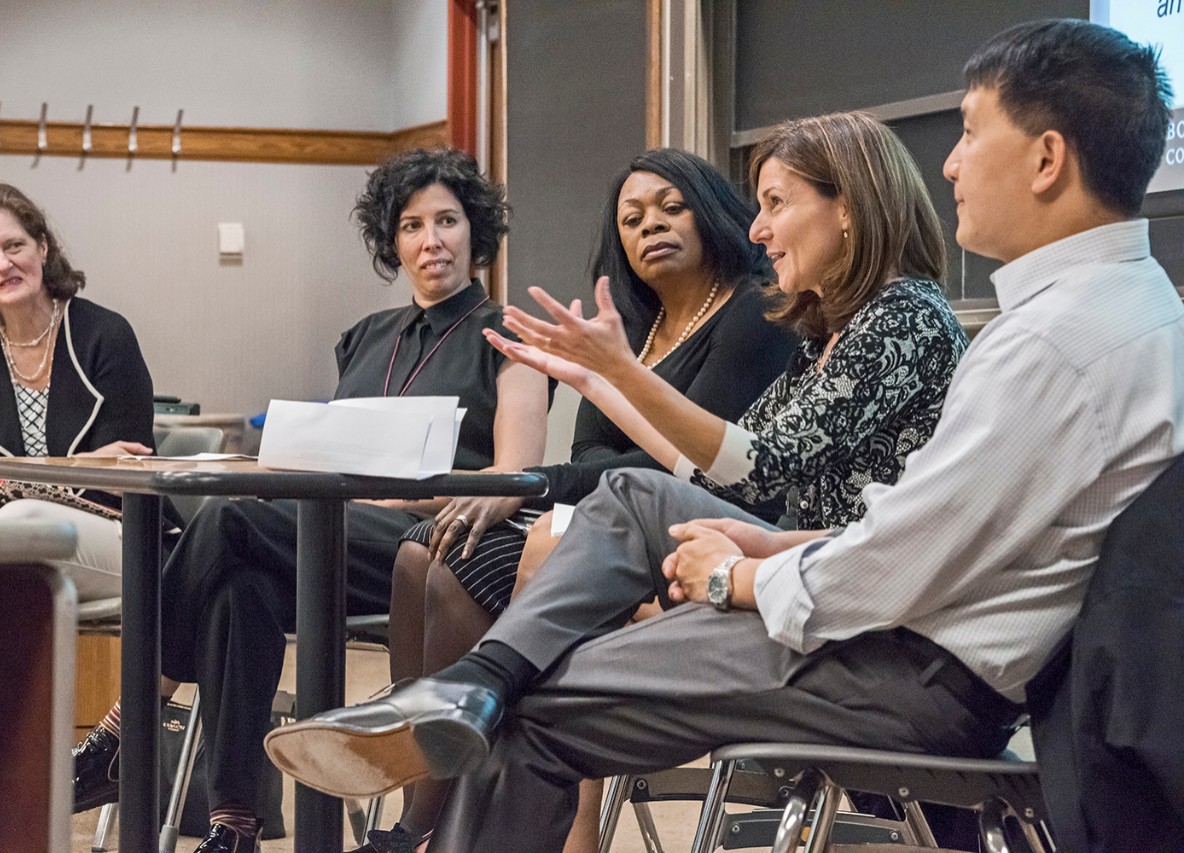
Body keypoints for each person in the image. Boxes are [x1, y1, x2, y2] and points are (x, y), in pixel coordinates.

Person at [264, 19, 1184, 853]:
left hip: (906, 661)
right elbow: (944, 528)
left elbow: (905, 552)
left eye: (973, 132)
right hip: (905, 630)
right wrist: (769, 540)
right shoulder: (1125, 312)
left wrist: (740, 574)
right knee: (606, 531)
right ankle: (476, 680)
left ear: (1048, 158)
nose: (948, 163)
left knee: (531, 705)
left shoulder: (1042, 342)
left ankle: (475, 686)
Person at [71, 147, 551, 853]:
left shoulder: (507, 334)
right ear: (393, 240)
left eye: (447, 221)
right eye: (413, 225)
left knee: (231, 517)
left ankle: (129, 722)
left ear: (475, 231)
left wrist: (404, 501)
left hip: (431, 547)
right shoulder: (363, 338)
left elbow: (513, 476)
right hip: (331, 531)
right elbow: (329, 452)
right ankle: (235, 821)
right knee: (240, 584)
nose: (432, 240)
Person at [371, 149, 798, 852]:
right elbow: (595, 459)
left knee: (464, 558)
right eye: (632, 218)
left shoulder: (750, 314)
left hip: (701, 528)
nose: (650, 226)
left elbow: (687, 464)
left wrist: (532, 485)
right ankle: (435, 802)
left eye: (670, 207)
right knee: (425, 550)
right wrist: (545, 481)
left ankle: (442, 813)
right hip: (607, 512)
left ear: (713, 212)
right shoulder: (634, 331)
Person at [0, 182, 156, 602]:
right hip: (14, 542)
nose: (3, 264)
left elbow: (123, 477)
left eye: (14, 245)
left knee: (19, 519)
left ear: (43, 248)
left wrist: (22, 483)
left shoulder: (106, 336)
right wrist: (77, 466)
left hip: (126, 539)